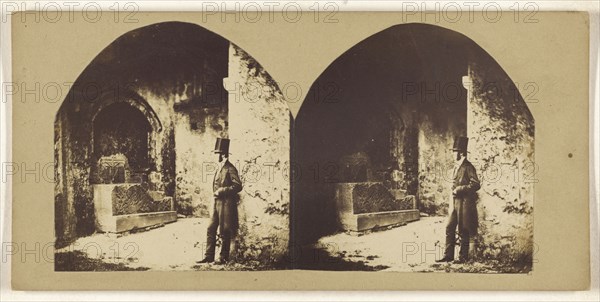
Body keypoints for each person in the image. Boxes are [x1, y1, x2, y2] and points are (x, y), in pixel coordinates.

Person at [197, 138, 243, 264]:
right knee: (211, 228)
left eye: (217, 153)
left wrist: (222, 190)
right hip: (217, 204)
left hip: (226, 204)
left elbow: (238, 186)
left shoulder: (230, 168)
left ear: (223, 154)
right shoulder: (219, 167)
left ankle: (223, 257)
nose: (215, 156)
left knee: (225, 230)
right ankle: (209, 256)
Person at [436, 136, 481, 264]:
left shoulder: (468, 167)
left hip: (465, 203)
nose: (452, 154)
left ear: (461, 153)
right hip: (455, 203)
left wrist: (460, 189)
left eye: (454, 152)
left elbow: (476, 184)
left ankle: (463, 257)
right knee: (449, 227)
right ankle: (448, 256)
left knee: (463, 229)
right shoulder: (456, 167)